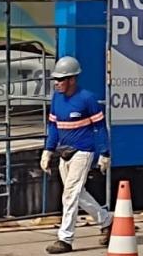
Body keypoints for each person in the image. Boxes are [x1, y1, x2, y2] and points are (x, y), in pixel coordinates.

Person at [41, 56, 112, 254]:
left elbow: (100, 128)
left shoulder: (87, 99)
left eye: (61, 79)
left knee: (70, 194)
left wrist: (104, 153)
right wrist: (48, 151)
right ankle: (107, 222)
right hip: (64, 152)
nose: (57, 83)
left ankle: (65, 238)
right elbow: (53, 126)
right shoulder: (57, 99)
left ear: (72, 79)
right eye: (55, 79)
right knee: (78, 195)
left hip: (83, 151)